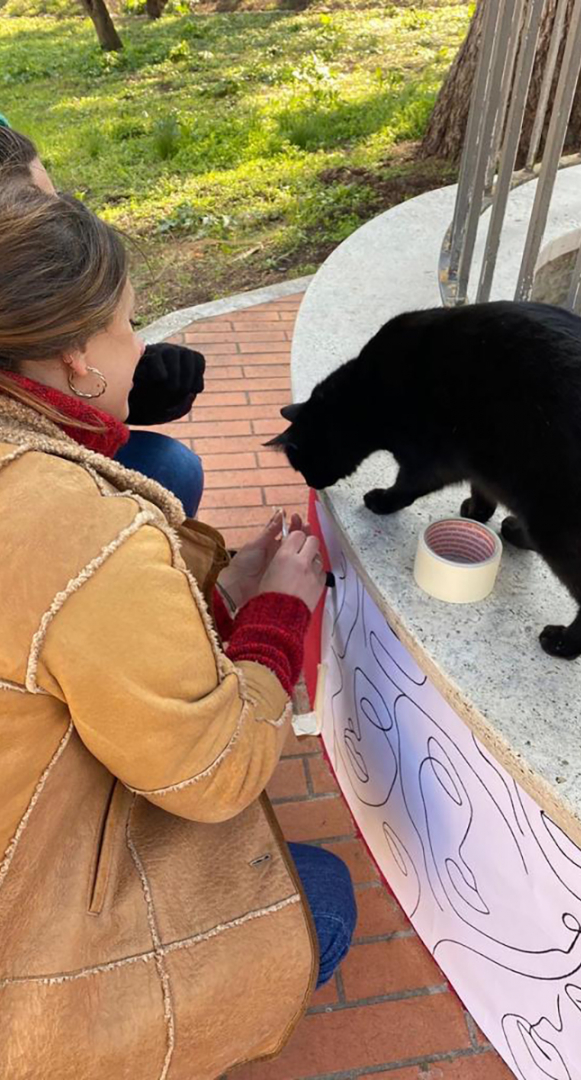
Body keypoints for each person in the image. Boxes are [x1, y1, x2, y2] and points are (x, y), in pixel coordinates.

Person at [0, 186, 356, 1079]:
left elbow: (60, 639)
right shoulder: (73, 526)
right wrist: (277, 612)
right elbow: (213, 774)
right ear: (79, 355)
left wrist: (216, 589)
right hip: (25, 937)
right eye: (130, 324)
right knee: (323, 898)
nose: (140, 346)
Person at [0, 119, 206, 518]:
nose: (65, 217)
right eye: (41, 204)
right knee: (170, 468)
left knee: (171, 465)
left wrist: (131, 383)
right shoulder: (48, 505)